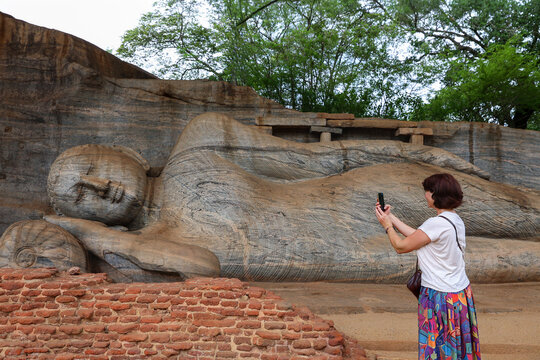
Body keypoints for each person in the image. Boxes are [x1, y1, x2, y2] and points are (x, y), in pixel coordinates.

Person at [375, 173, 481, 360]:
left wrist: (387, 226)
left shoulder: (436, 223)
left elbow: (401, 246)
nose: (425, 195)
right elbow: (419, 236)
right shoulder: (454, 220)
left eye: (427, 191)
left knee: (437, 350)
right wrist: (391, 217)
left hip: (439, 296)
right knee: (457, 348)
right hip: (459, 295)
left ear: (435, 195)